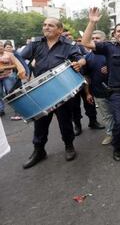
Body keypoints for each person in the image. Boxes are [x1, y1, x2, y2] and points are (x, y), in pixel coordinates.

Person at [20, 17, 85, 169]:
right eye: (44, 25)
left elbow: (81, 58)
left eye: (50, 25)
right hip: (41, 91)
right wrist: (24, 69)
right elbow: (20, 58)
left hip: (61, 90)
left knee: (65, 121)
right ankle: (39, 150)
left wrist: (79, 63)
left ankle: (69, 146)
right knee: (40, 123)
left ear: (60, 30)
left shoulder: (68, 45)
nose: (46, 27)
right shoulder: (36, 43)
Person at [82, 8, 120, 162]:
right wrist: (92, 22)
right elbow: (86, 42)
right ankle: (117, 147)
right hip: (116, 94)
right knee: (119, 123)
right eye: (118, 31)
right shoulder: (108, 47)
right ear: (114, 34)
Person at [84, 30, 115, 145]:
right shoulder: (87, 57)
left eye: (97, 38)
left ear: (104, 40)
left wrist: (111, 68)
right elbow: (86, 77)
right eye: (93, 38)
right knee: (107, 116)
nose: (94, 40)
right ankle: (110, 134)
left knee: (119, 114)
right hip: (98, 92)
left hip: (116, 92)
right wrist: (87, 93)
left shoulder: (112, 53)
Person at [0, 41, 26, 117]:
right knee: (0, 94)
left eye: (1, 45)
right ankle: (1, 110)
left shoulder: (9, 54)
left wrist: (4, 68)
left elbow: (16, 65)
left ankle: (18, 110)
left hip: (8, 76)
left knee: (11, 93)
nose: (0, 47)